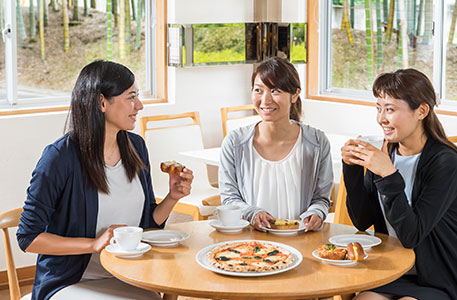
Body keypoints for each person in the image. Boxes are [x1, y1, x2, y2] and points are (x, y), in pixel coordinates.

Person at [17, 60, 193, 300]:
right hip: (72, 281)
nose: (139, 105)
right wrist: (93, 244)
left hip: (130, 273)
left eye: (138, 96)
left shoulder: (136, 147)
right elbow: (28, 238)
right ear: (102, 102)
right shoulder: (60, 157)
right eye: (131, 97)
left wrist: (173, 197)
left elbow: (147, 224)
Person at [341, 69, 457, 300]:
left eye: (390, 109)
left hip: (447, 276)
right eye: (378, 108)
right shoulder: (385, 152)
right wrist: (351, 167)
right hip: (397, 272)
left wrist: (387, 174)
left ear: (421, 111)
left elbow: (412, 235)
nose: (381, 118)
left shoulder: (445, 162)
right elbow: (363, 220)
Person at [219, 57, 333, 232]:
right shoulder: (235, 143)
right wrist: (252, 212)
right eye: (258, 90)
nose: (265, 100)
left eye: (275, 91)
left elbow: (322, 198)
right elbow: (229, 198)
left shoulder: (317, 142)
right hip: (251, 242)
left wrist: (317, 211)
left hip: (301, 239)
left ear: (294, 95)